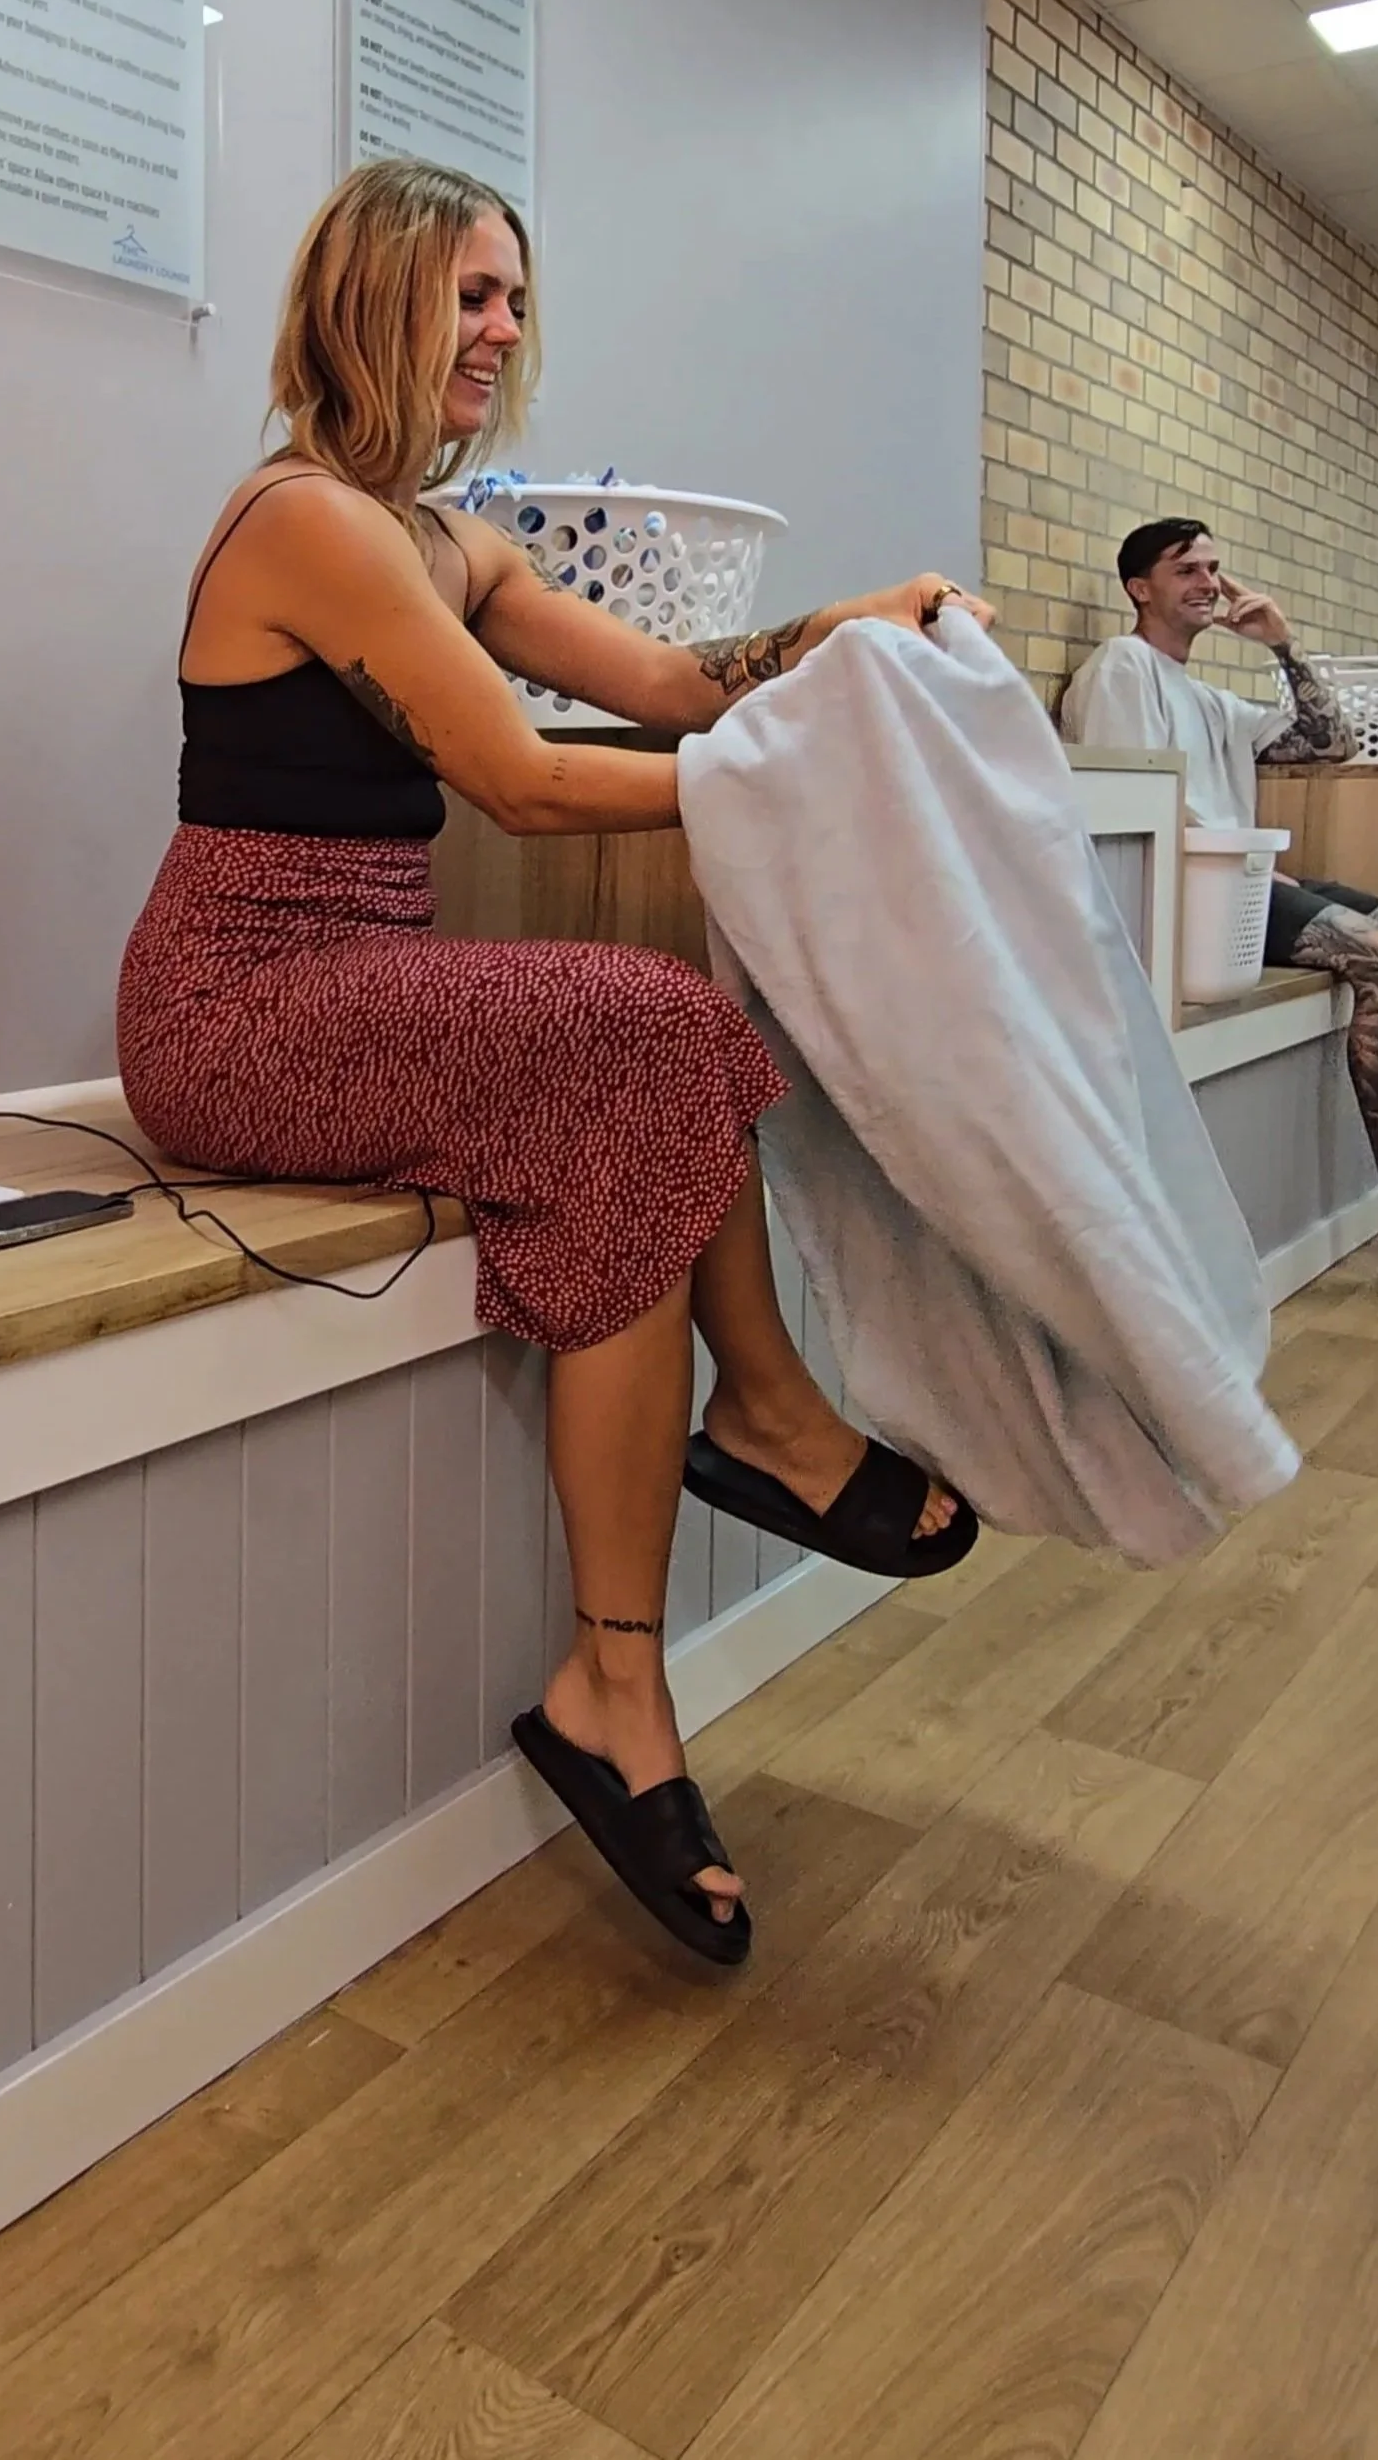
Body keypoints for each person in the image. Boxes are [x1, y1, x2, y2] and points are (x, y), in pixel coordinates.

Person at [118, 155, 992, 1963]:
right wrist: (804, 781)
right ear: (373, 303)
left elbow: (675, 685)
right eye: (471, 295)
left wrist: (844, 634)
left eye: (515, 297)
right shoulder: (305, 521)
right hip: (235, 1007)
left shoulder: (451, 540)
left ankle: (615, 1685)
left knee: (633, 1109)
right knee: (661, 1020)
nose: (504, 331)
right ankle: (762, 1417)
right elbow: (517, 782)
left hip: (363, 983)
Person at [1063, 517, 1378, 1286]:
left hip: (1246, 881)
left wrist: (1283, 644)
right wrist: (1250, 864)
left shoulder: (1213, 701)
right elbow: (1141, 800)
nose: (1208, 583)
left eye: (1214, 568)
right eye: (1186, 568)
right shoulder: (1123, 666)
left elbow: (1331, 741)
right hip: (1198, 896)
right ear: (1138, 587)